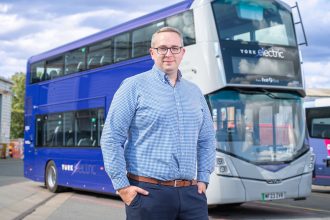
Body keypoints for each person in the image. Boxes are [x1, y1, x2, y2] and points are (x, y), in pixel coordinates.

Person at [100, 26, 215, 220]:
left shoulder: (195, 92)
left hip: (191, 195)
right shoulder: (133, 86)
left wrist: (203, 178)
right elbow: (111, 137)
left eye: (174, 48)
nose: (169, 53)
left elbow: (207, 139)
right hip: (148, 195)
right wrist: (122, 187)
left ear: (183, 52)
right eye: (162, 48)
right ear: (152, 53)